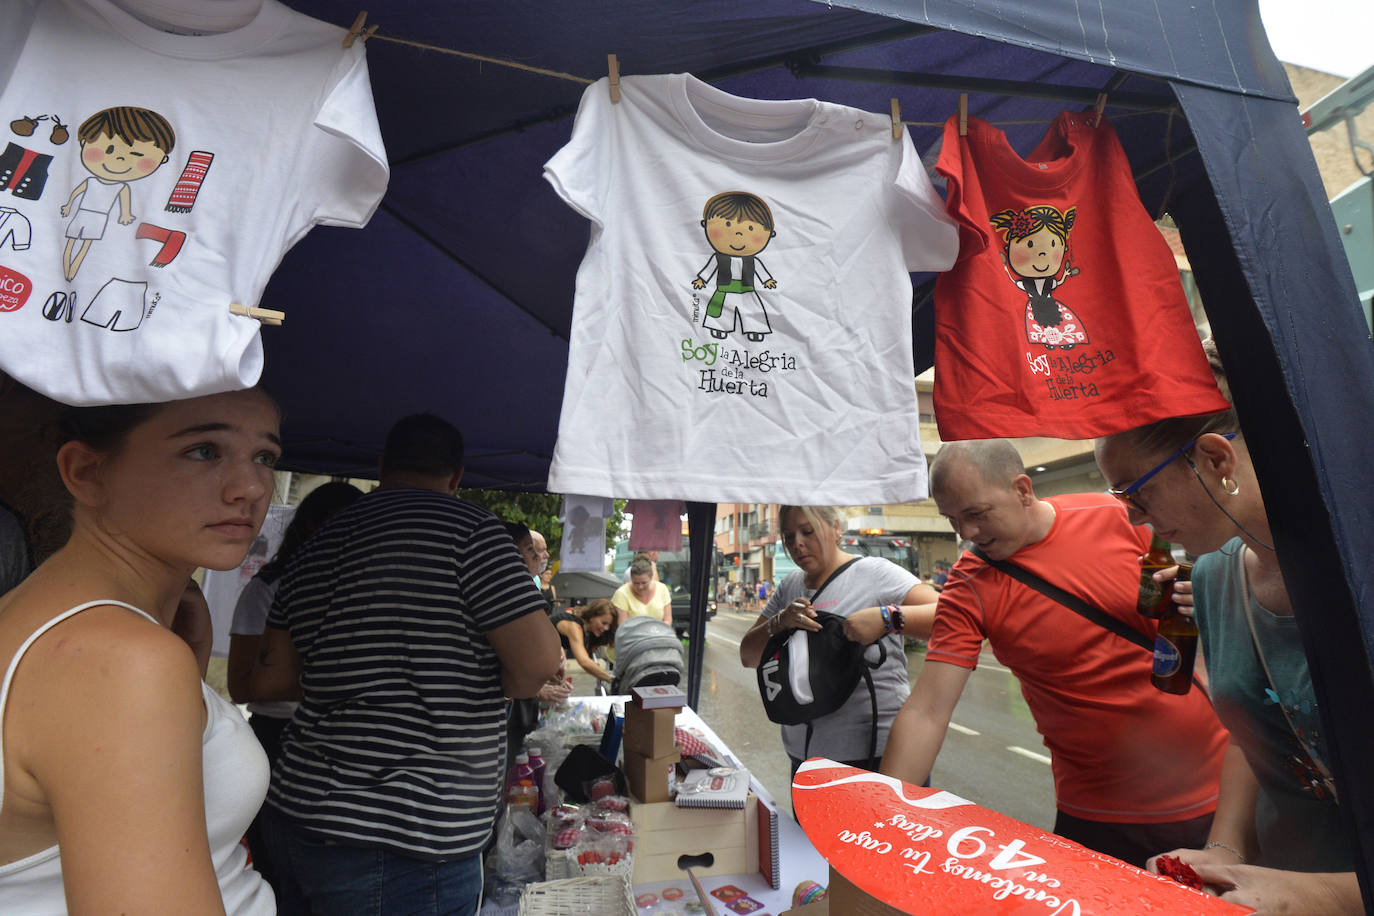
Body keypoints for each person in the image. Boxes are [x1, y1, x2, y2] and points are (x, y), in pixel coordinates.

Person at [250, 413, 562, 916]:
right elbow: (539, 665)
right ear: (456, 476)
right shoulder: (473, 534)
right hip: (410, 836)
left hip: (297, 812)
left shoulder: (320, 544)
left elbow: (275, 677)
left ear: (381, 466)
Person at [1095, 342, 1360, 912]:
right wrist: (1226, 847)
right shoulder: (1213, 578)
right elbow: (1255, 734)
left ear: (1217, 459)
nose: (1133, 519)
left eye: (1137, 494)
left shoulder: (1357, 578)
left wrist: (1327, 895)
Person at [880, 440, 1228, 868]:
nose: (965, 533)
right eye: (952, 519)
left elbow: (1194, 605)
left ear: (1023, 490)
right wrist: (882, 823)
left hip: (1222, 795)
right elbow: (927, 711)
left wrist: (1203, 598)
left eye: (976, 513)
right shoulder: (968, 587)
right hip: (1101, 817)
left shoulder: (1117, 516)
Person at [0, 389, 280, 913]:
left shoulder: (48, 615)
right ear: (86, 471)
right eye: (204, 450)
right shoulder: (120, 658)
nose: (250, 488)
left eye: (265, 457)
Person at [226, 480, 363, 891]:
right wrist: (336, 682)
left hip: (346, 743)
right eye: (343, 528)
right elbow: (241, 686)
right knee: (279, 870)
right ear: (311, 528)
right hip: (281, 741)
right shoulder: (270, 588)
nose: (353, 541)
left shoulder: (366, 587)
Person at [740, 505, 938, 774]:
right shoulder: (791, 585)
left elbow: (948, 615)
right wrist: (779, 622)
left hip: (873, 757)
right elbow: (749, 656)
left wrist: (887, 618)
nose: (798, 543)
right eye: (788, 537)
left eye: (808, 531)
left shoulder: (874, 574)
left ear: (835, 528)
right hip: (805, 761)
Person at [552, 598, 616, 684]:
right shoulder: (574, 626)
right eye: (604, 623)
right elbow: (584, 662)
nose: (606, 628)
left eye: (609, 625)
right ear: (592, 616)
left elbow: (590, 661)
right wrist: (612, 679)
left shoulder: (590, 630)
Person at [612, 554, 672, 627]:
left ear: (651, 577)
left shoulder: (662, 589)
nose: (640, 587)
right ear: (631, 578)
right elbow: (623, 626)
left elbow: (668, 620)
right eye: (636, 583)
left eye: (644, 583)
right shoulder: (622, 594)